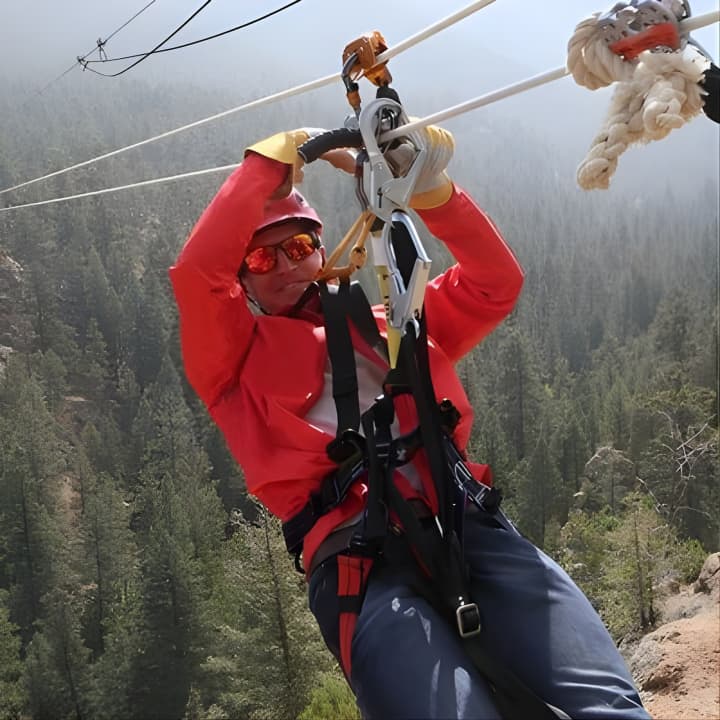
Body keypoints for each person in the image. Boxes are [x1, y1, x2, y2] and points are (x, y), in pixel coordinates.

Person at [169, 122, 651, 719]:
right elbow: (197, 277)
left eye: (298, 247)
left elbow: (494, 284)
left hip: (466, 520)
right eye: (262, 257)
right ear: (242, 279)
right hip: (360, 566)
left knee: (605, 705)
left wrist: (431, 192)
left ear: (321, 250)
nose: (286, 265)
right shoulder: (232, 366)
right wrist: (270, 162)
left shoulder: (395, 320)